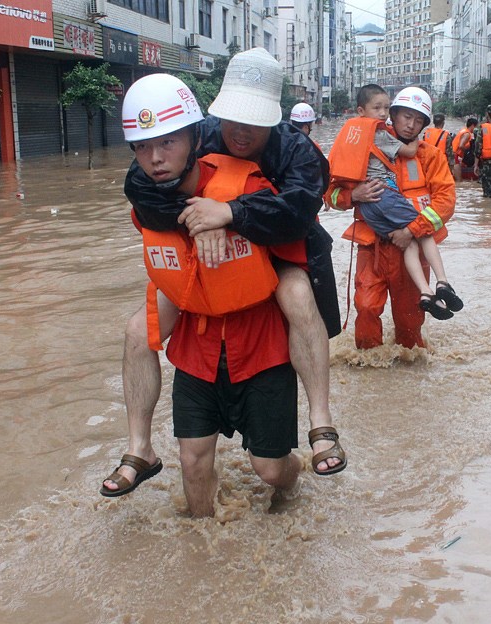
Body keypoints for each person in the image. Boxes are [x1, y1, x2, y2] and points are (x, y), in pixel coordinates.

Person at [101, 49, 345, 498]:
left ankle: (320, 420)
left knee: (296, 298)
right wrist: (199, 219)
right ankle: (139, 447)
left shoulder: (299, 153)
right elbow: (139, 188)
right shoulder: (192, 136)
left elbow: (297, 212)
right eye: (232, 117)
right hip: (205, 256)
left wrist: (230, 212)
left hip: (281, 246)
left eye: (253, 120)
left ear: (275, 117)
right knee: (138, 330)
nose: (240, 131)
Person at [325, 86, 457, 350]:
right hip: (372, 249)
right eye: (406, 116)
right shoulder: (361, 144)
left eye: (418, 120)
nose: (411, 125)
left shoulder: (430, 155)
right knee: (365, 307)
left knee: (410, 324)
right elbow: (330, 193)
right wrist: (354, 196)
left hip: (413, 248)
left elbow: (446, 202)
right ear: (392, 116)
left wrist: (412, 230)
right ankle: (369, 368)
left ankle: (407, 376)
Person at [422, 113, 456, 178]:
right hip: (440, 165)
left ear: (434, 122)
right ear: (443, 122)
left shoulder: (426, 133)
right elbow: (450, 154)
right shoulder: (446, 135)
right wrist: (451, 169)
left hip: (428, 163)